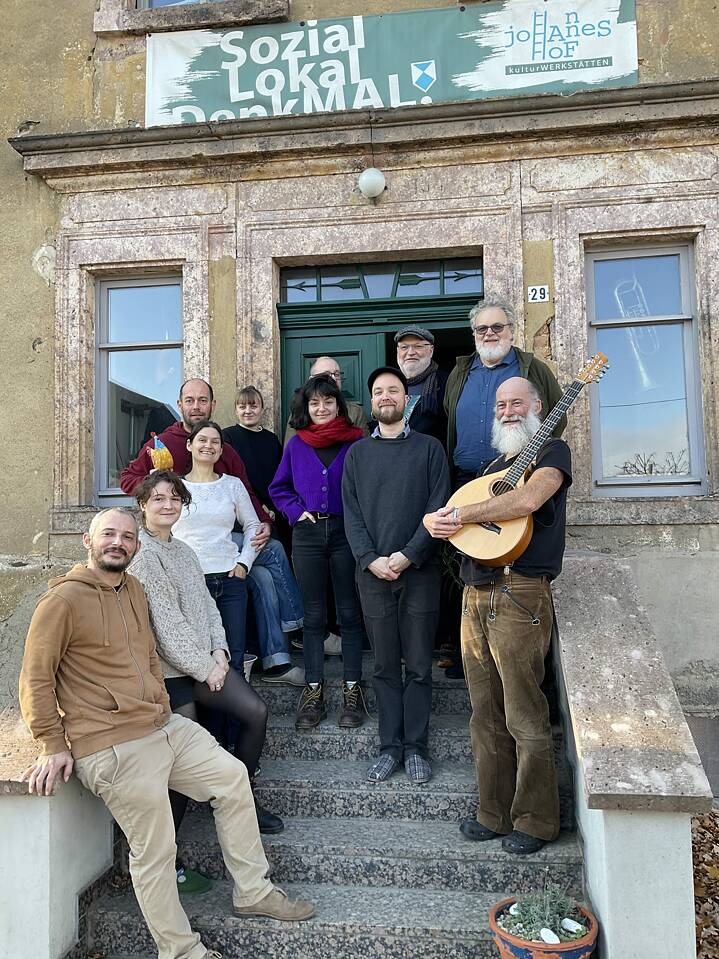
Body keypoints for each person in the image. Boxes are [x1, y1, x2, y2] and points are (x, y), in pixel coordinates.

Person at [19, 507, 314, 959]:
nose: (118, 542)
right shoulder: (61, 602)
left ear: (136, 546)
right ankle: (180, 951)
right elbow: (35, 678)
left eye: (127, 537)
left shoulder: (133, 587)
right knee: (155, 852)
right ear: (87, 540)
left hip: (161, 725)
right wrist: (52, 744)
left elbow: (149, 654)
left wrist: (161, 702)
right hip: (112, 744)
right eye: (108, 535)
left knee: (233, 779)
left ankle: (252, 891)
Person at [424, 377, 571, 855]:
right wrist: (438, 520)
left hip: (520, 591)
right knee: (483, 711)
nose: (507, 411)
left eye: (517, 403)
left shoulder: (553, 453)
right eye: (501, 404)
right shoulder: (492, 467)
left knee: (524, 709)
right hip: (477, 590)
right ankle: (494, 811)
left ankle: (536, 819)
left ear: (537, 407)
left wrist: (462, 514)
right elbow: (456, 522)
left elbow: (528, 501)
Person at [129, 470, 284, 852]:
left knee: (255, 712)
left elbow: (208, 608)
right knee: (183, 761)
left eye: (175, 499)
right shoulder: (144, 557)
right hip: (171, 674)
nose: (168, 505)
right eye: (159, 499)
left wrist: (219, 651)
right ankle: (167, 854)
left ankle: (240, 798)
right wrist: (206, 669)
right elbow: (166, 628)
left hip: (205, 663)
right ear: (144, 506)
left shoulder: (183, 550)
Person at [121, 377, 304, 686]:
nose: (196, 406)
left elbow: (243, 489)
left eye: (202, 400)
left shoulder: (225, 450)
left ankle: (286, 643)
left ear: (212, 405)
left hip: (223, 537)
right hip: (183, 545)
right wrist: (156, 486)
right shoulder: (162, 444)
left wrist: (263, 525)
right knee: (261, 571)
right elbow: (129, 479)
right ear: (180, 405)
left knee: (266, 553)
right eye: (190, 400)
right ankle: (287, 639)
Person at [342, 367, 450, 784]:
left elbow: (439, 510)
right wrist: (370, 559)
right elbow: (351, 514)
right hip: (372, 575)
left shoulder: (430, 449)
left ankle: (417, 747)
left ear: (408, 399)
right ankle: (390, 747)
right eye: (378, 391)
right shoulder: (357, 454)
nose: (386, 396)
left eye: (393, 390)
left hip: (418, 572)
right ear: (372, 402)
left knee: (420, 665)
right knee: (385, 666)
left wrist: (406, 556)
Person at [270, 375, 366, 730]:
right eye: (314, 403)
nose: (321, 408)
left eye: (328, 401)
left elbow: (368, 487)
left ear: (339, 405)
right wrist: (296, 511)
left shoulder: (358, 442)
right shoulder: (296, 445)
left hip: (346, 534)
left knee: (349, 613)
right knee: (313, 617)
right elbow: (278, 488)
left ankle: (352, 689)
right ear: (305, 409)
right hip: (308, 536)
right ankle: (313, 690)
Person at [222, 385, 305, 685]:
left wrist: (273, 507)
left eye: (253, 405)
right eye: (242, 406)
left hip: (269, 515)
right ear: (235, 409)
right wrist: (258, 512)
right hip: (240, 525)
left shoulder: (271, 440)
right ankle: (298, 622)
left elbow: (279, 477)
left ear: (261, 408)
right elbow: (236, 484)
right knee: (276, 553)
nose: (248, 410)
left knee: (267, 581)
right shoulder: (227, 438)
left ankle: (276, 661)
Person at [444, 296, 565, 486]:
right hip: (464, 481)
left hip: (514, 480)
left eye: (497, 327)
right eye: (482, 328)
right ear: (474, 334)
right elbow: (448, 415)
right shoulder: (459, 373)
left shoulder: (533, 369)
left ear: (511, 332)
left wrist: (536, 462)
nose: (489, 333)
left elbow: (557, 416)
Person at [284, 356, 368, 443]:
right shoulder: (299, 412)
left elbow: (364, 449)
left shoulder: (355, 412)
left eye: (337, 374)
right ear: (312, 380)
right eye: (326, 375)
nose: (334, 379)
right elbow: (290, 450)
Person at [394, 326, 448, 446]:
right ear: (398, 352)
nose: (411, 352)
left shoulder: (447, 382)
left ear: (431, 350)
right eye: (404, 347)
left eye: (418, 346)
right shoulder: (389, 384)